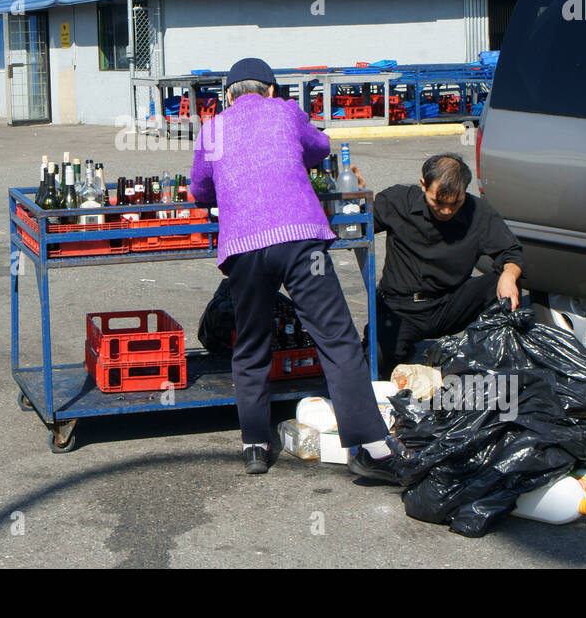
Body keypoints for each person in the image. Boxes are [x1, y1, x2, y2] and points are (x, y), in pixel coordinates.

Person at [190, 58, 406, 477]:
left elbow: (200, 189)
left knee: (251, 341)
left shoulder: (212, 129)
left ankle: (254, 443)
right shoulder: (286, 112)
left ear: (227, 97)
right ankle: (372, 448)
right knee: (336, 338)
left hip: (246, 248)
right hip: (300, 241)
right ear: (272, 90)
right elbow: (321, 148)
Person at [350, 153, 523, 364]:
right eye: (438, 202)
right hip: (401, 308)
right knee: (377, 359)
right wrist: (355, 200)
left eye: (455, 203)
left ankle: (491, 356)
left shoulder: (477, 211)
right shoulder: (397, 201)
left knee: (505, 284)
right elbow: (353, 231)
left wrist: (509, 275)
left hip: (450, 304)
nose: (446, 211)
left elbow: (512, 251)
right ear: (424, 185)